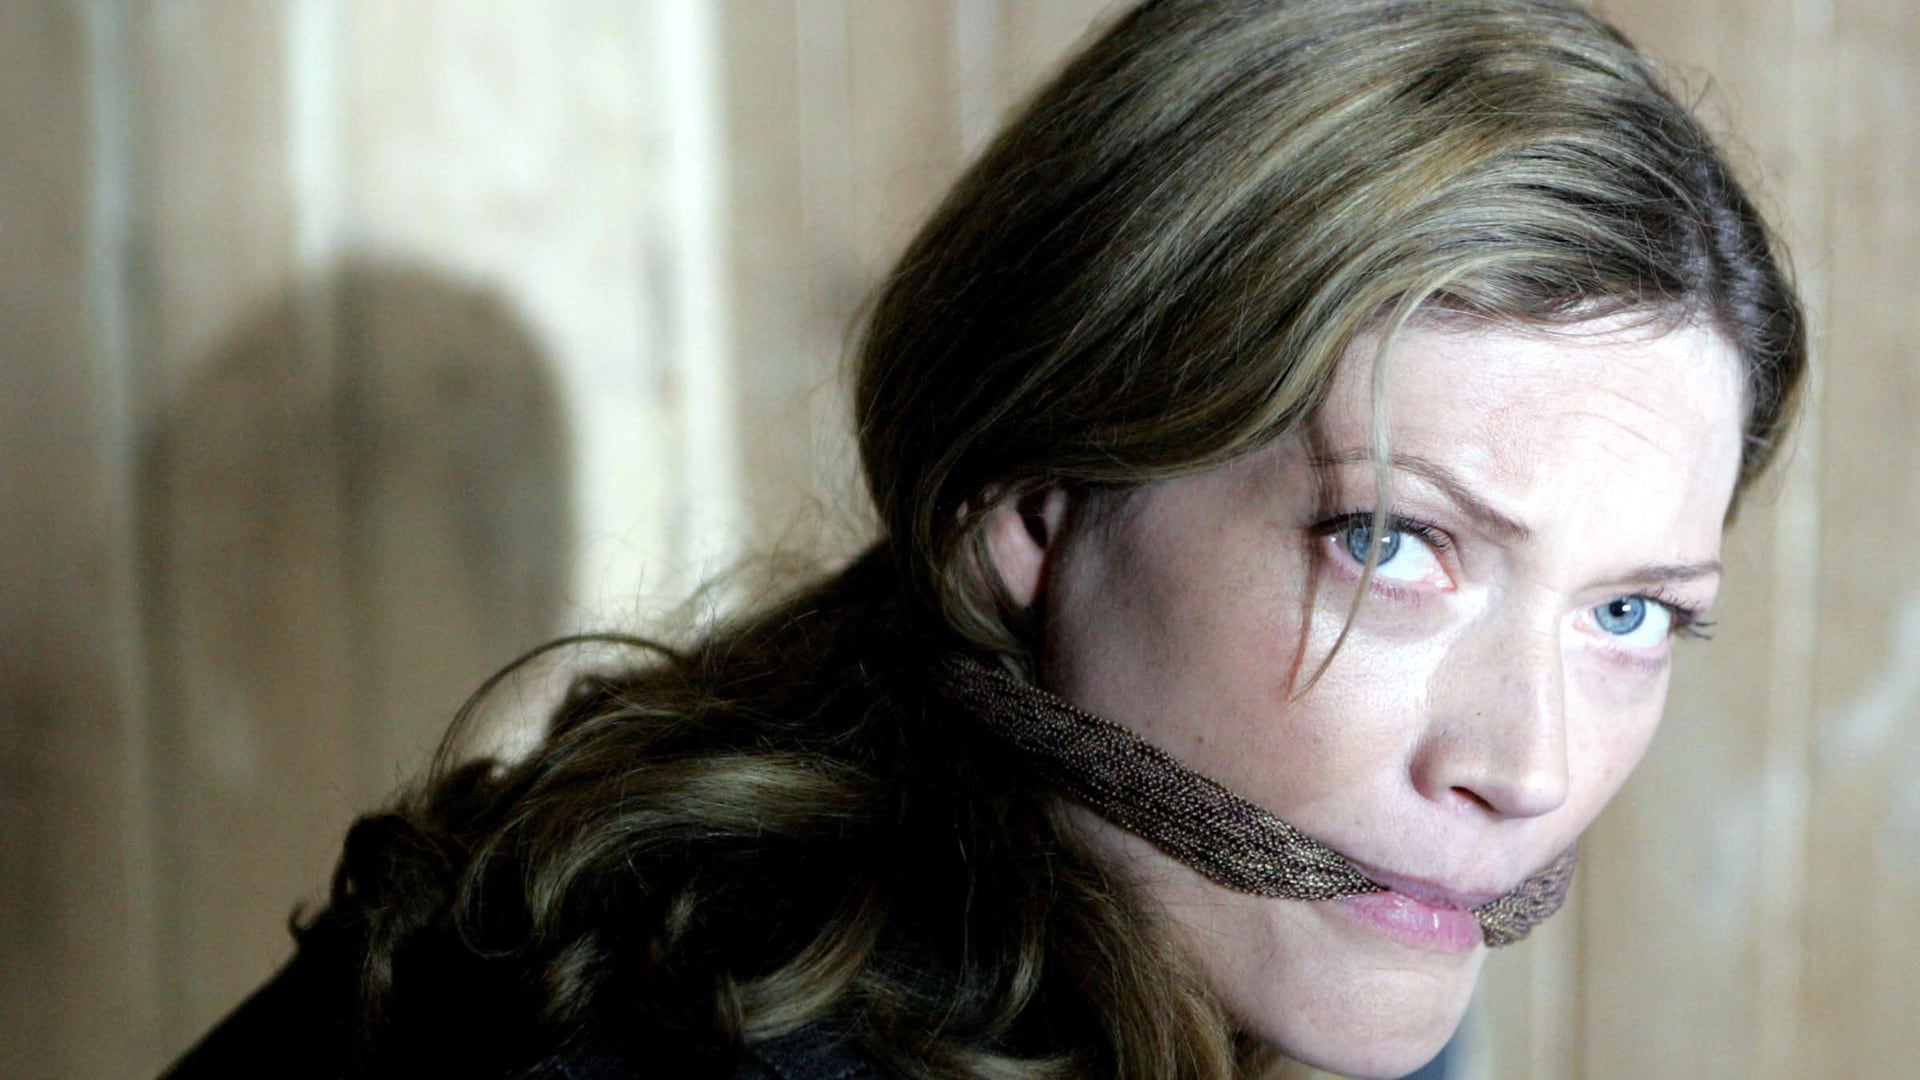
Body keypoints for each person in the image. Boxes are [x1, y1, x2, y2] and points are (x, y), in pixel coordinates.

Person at [161, 0, 1806, 1077]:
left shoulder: (1316, 940)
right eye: (1394, 546)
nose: (1526, 770)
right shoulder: (663, 1042)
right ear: (1035, 507)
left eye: (1630, 616)